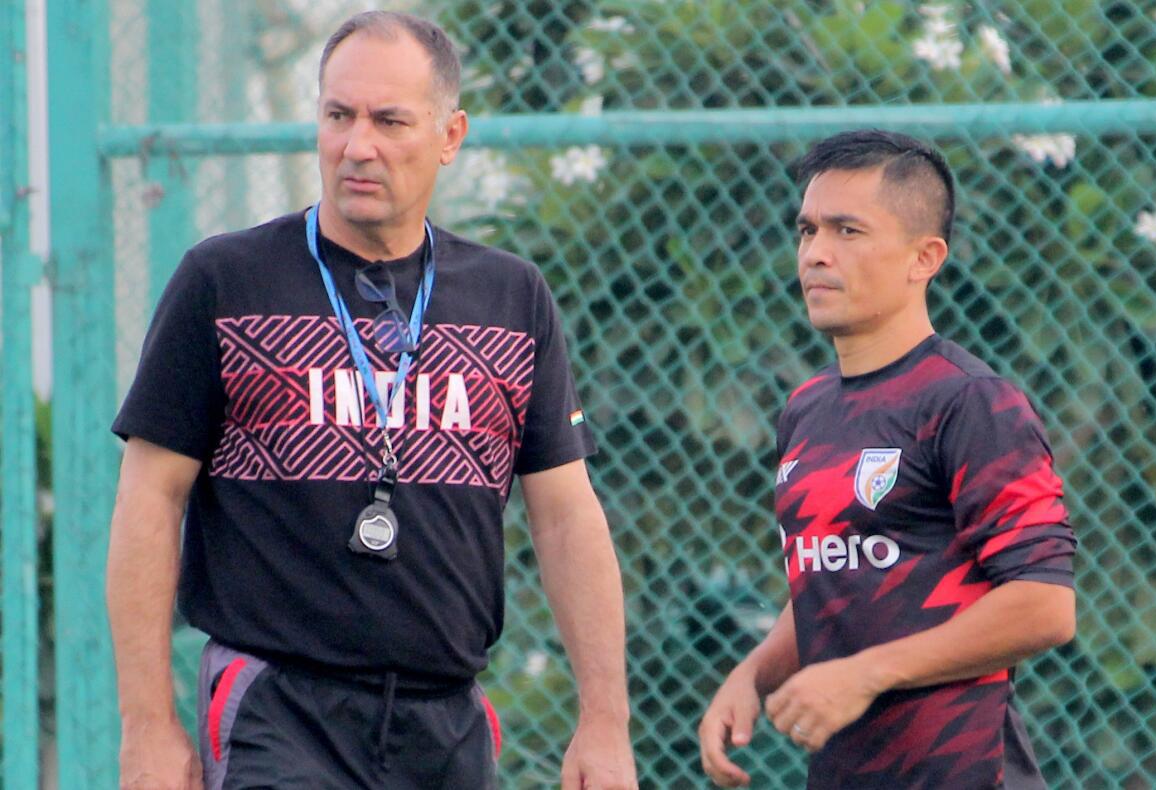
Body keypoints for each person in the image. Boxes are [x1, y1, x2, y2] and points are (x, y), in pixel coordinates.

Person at [107, 11, 637, 790]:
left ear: (451, 135)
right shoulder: (225, 280)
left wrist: (605, 721)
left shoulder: (512, 296)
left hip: (446, 717)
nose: (358, 146)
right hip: (278, 708)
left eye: (390, 121)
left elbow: (565, 515)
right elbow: (150, 497)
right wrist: (148, 725)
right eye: (338, 116)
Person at [698, 130, 1077, 789]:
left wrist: (866, 672)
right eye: (808, 230)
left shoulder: (970, 403)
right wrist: (753, 675)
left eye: (848, 231)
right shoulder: (806, 409)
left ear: (923, 257)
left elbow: (1043, 604)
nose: (816, 254)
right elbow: (834, 581)